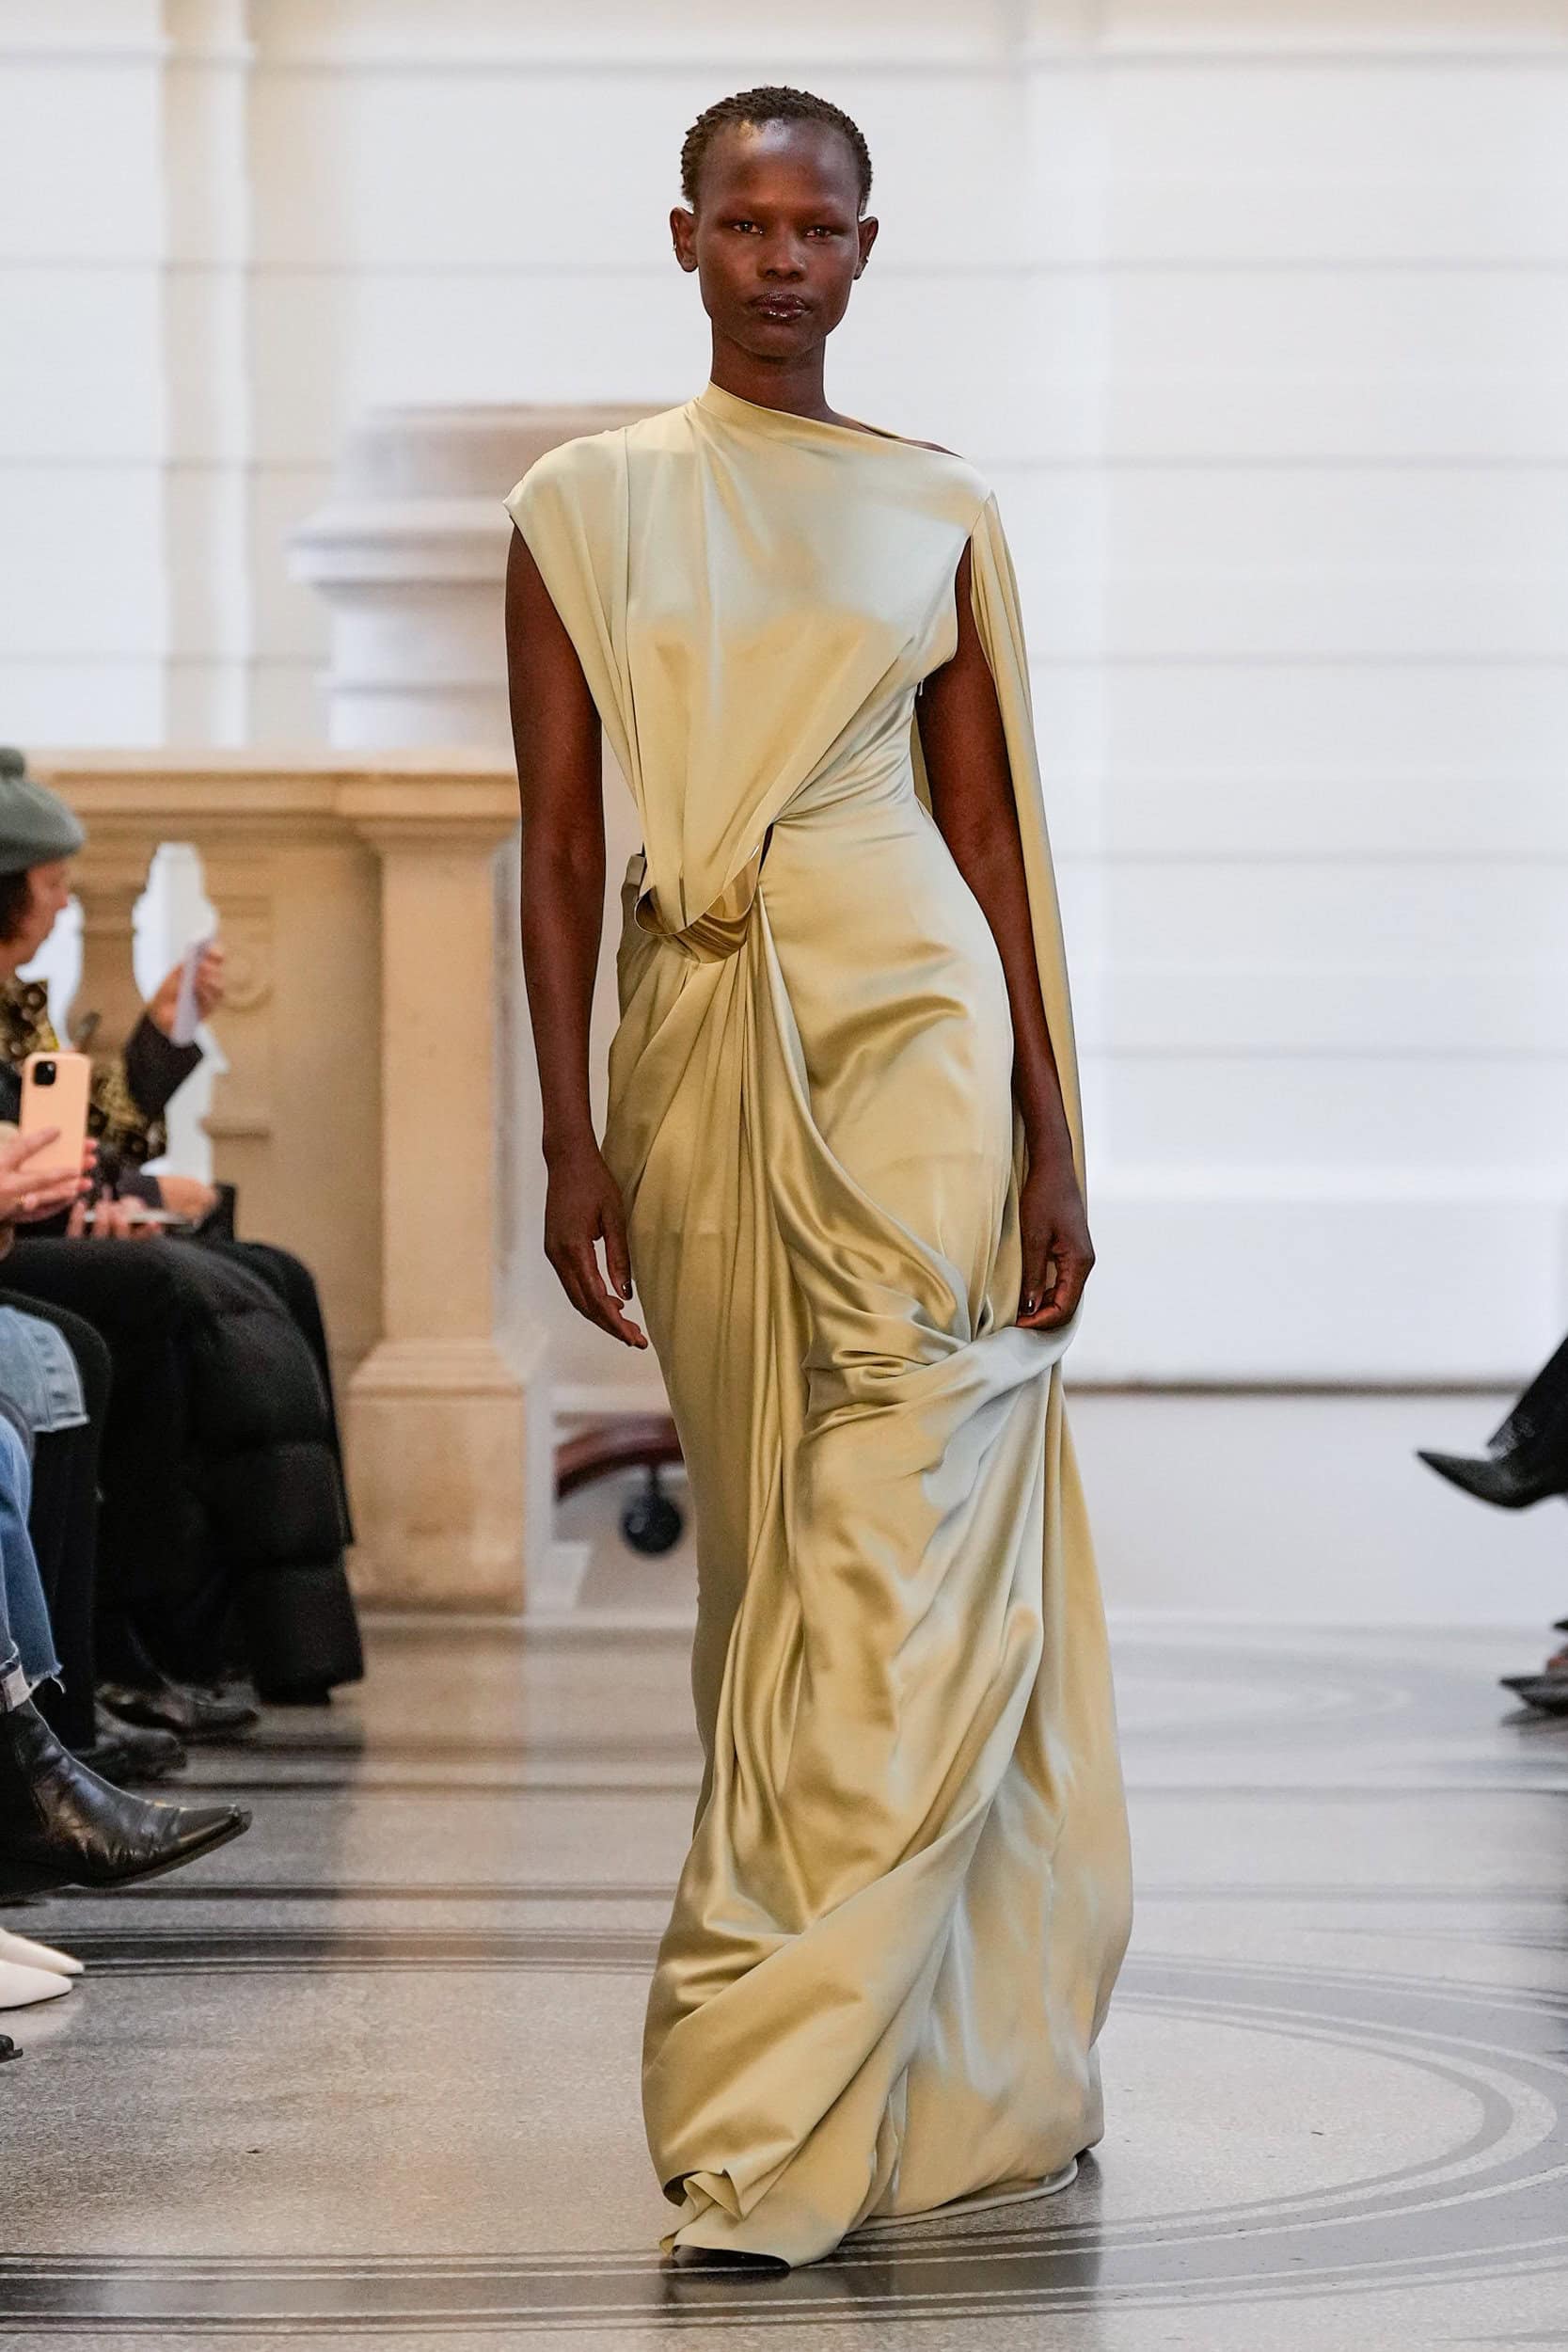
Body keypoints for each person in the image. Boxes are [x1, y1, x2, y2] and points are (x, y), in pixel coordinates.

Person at [503, 87, 1132, 2269]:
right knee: (771, 1558)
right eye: (748, 224)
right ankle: (889, 2041)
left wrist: (1054, 1133)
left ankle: (790, 2083)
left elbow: (991, 837)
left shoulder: (935, 505)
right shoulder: (579, 505)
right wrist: (569, 1127)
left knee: (898, 1542)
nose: (784, 261)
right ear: (683, 237)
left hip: (916, 1042)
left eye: (821, 229)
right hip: (696, 1052)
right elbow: (557, 841)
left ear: (868, 250)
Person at [0, 752, 362, 1705]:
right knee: (158, 1287)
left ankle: (273, 1620)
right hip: (17, 1240)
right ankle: (149, 1627)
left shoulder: (19, 1010)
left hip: (42, 1223)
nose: (66, 904)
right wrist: (111, 1202)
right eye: (52, 885)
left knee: (277, 1274)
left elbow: (86, 1139)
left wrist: (164, 1035)